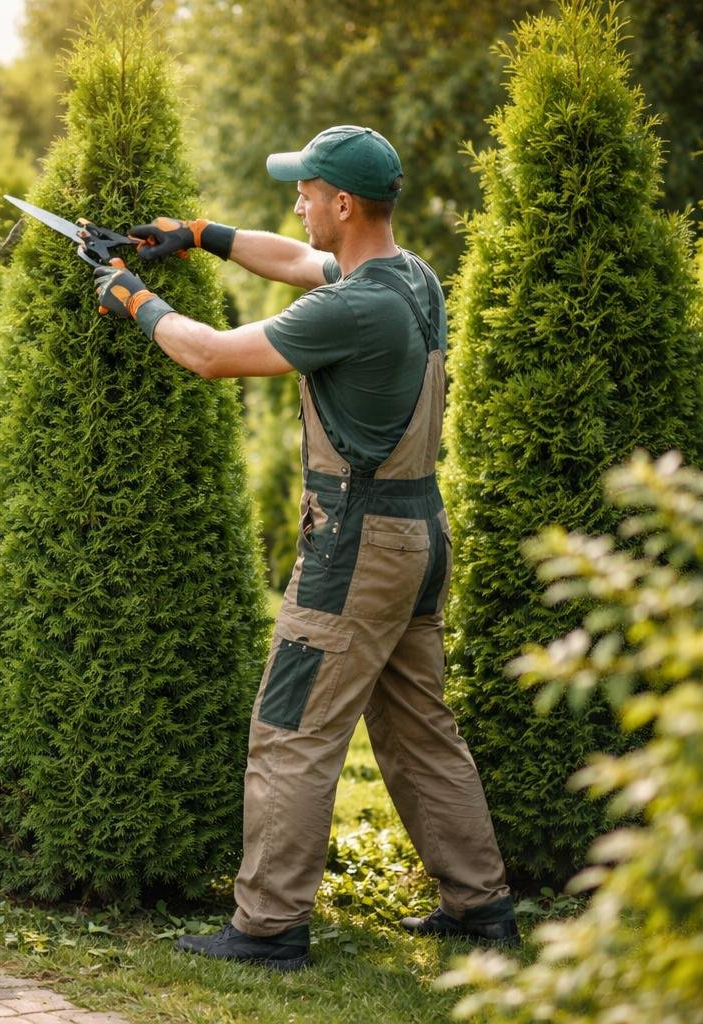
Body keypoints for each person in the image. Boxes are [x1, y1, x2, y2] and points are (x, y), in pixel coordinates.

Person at [91, 125, 518, 972]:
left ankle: (268, 926)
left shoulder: (352, 307)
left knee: (290, 727)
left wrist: (134, 299)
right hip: (419, 533)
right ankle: (483, 907)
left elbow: (210, 356)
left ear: (344, 203)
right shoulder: (409, 279)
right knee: (421, 727)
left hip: (355, 544)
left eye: (307, 191)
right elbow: (293, 260)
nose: (299, 203)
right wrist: (199, 236)